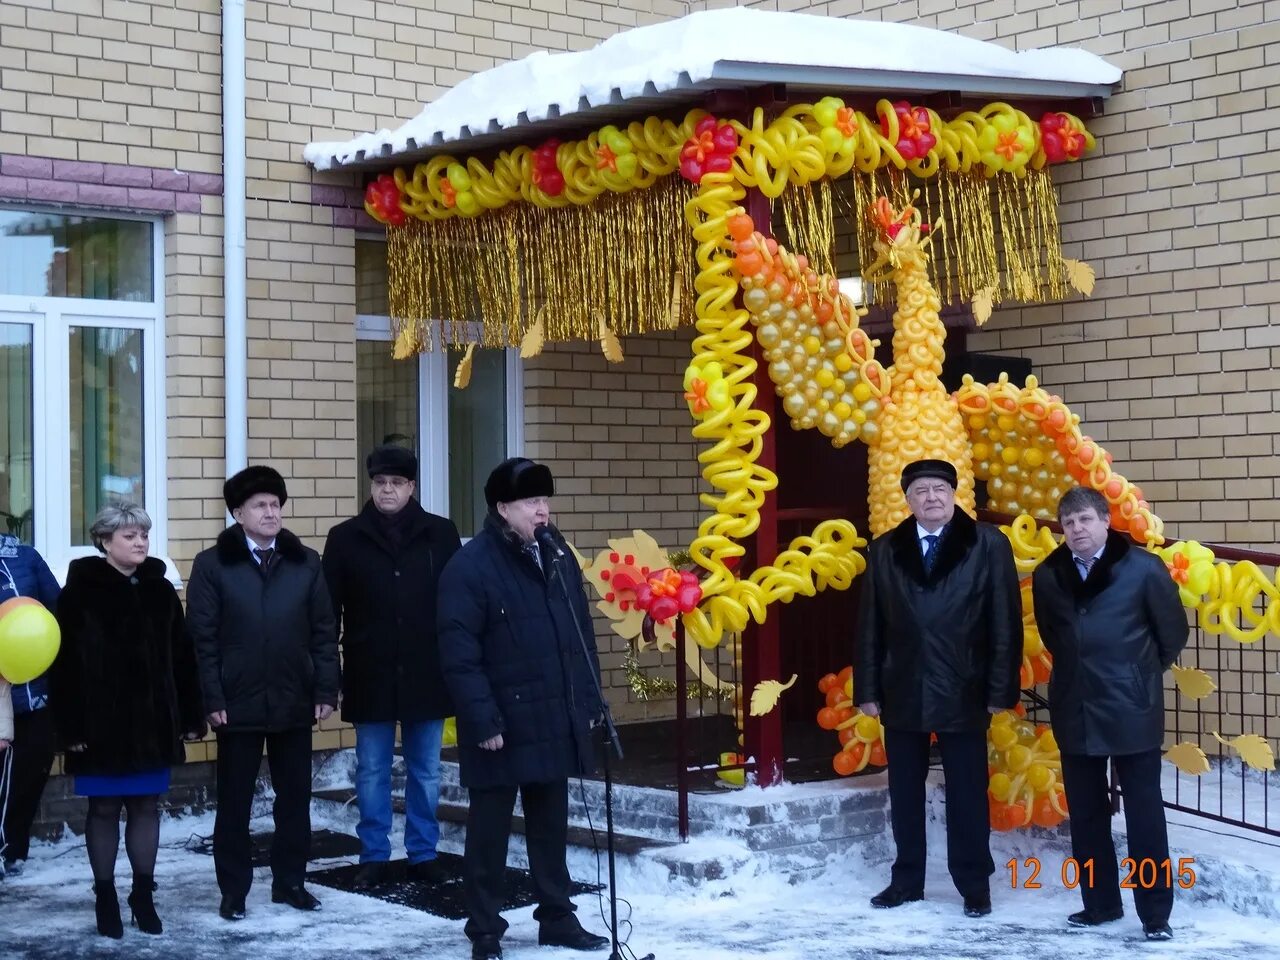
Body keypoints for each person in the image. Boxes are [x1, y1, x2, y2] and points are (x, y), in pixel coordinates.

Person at [438, 457, 609, 960]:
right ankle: (485, 929)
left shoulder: (556, 554)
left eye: (544, 500)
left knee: (550, 823)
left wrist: (590, 698)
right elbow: (457, 652)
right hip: (500, 722)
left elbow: (580, 634)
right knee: (490, 830)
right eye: (531, 502)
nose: (542, 510)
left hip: (554, 713)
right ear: (502, 507)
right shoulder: (470, 566)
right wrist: (482, 718)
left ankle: (557, 916)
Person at [855, 458, 1022, 918]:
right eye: (921, 490)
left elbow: (1005, 623)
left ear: (955, 494)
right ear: (907, 499)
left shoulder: (987, 544)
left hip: (963, 687)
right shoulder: (886, 548)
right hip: (902, 687)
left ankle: (974, 885)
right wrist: (867, 686)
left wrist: (999, 687)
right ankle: (907, 880)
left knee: (967, 793)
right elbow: (870, 624)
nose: (931, 497)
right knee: (904, 792)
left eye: (940, 489)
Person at [1032, 486, 1188, 941]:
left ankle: (1155, 913)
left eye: (1085, 520)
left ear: (1105, 521)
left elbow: (1172, 632)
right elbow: (1051, 634)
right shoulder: (1048, 575)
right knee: (1086, 813)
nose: (1077, 529)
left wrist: (1138, 673)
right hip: (1074, 705)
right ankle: (1099, 904)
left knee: (1144, 813)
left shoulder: (1142, 568)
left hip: (1130, 708)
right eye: (1069, 522)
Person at [187, 466, 339, 922]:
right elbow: (203, 639)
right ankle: (233, 890)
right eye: (260, 505)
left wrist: (326, 687)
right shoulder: (213, 565)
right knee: (234, 802)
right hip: (237, 703)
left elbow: (324, 631)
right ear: (238, 513)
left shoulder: (305, 561)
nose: (271, 513)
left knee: (295, 799)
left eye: (276, 505)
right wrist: (212, 699)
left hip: (295, 698)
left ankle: (290, 882)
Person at [47, 503, 205, 938]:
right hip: (99, 728)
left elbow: (183, 657)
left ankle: (143, 894)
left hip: (153, 723)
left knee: (145, 806)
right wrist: (71, 728)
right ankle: (105, 896)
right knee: (102, 810)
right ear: (105, 541)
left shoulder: (160, 590)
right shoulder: (79, 592)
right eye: (129, 536)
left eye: (144, 536)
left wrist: (191, 715)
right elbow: (63, 666)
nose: (140, 543)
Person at [323, 445, 461, 887]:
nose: (388, 490)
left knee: (425, 770)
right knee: (372, 770)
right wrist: (331, 677)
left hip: (427, 670)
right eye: (380, 482)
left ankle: (423, 853)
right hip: (370, 670)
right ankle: (374, 855)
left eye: (397, 483)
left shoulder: (440, 534)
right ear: (371, 485)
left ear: (412, 487)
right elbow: (329, 614)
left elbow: (458, 606)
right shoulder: (345, 537)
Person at [0, 535, 60, 879]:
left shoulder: (24, 556)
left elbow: (56, 607)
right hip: (1, 692)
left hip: (38, 686)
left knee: (32, 769)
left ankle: (14, 848)